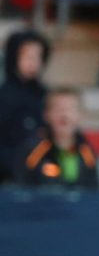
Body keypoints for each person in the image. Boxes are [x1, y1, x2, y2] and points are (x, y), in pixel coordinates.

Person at [13, 88, 99, 189]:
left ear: (80, 115)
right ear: (46, 114)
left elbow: (93, 189)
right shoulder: (33, 150)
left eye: (70, 109)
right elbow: (21, 184)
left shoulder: (87, 151)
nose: (64, 115)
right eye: (58, 109)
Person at [0, 30, 50, 182]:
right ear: (14, 57)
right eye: (29, 56)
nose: (34, 62)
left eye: (38, 57)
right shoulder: (4, 97)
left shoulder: (45, 95)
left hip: (41, 174)